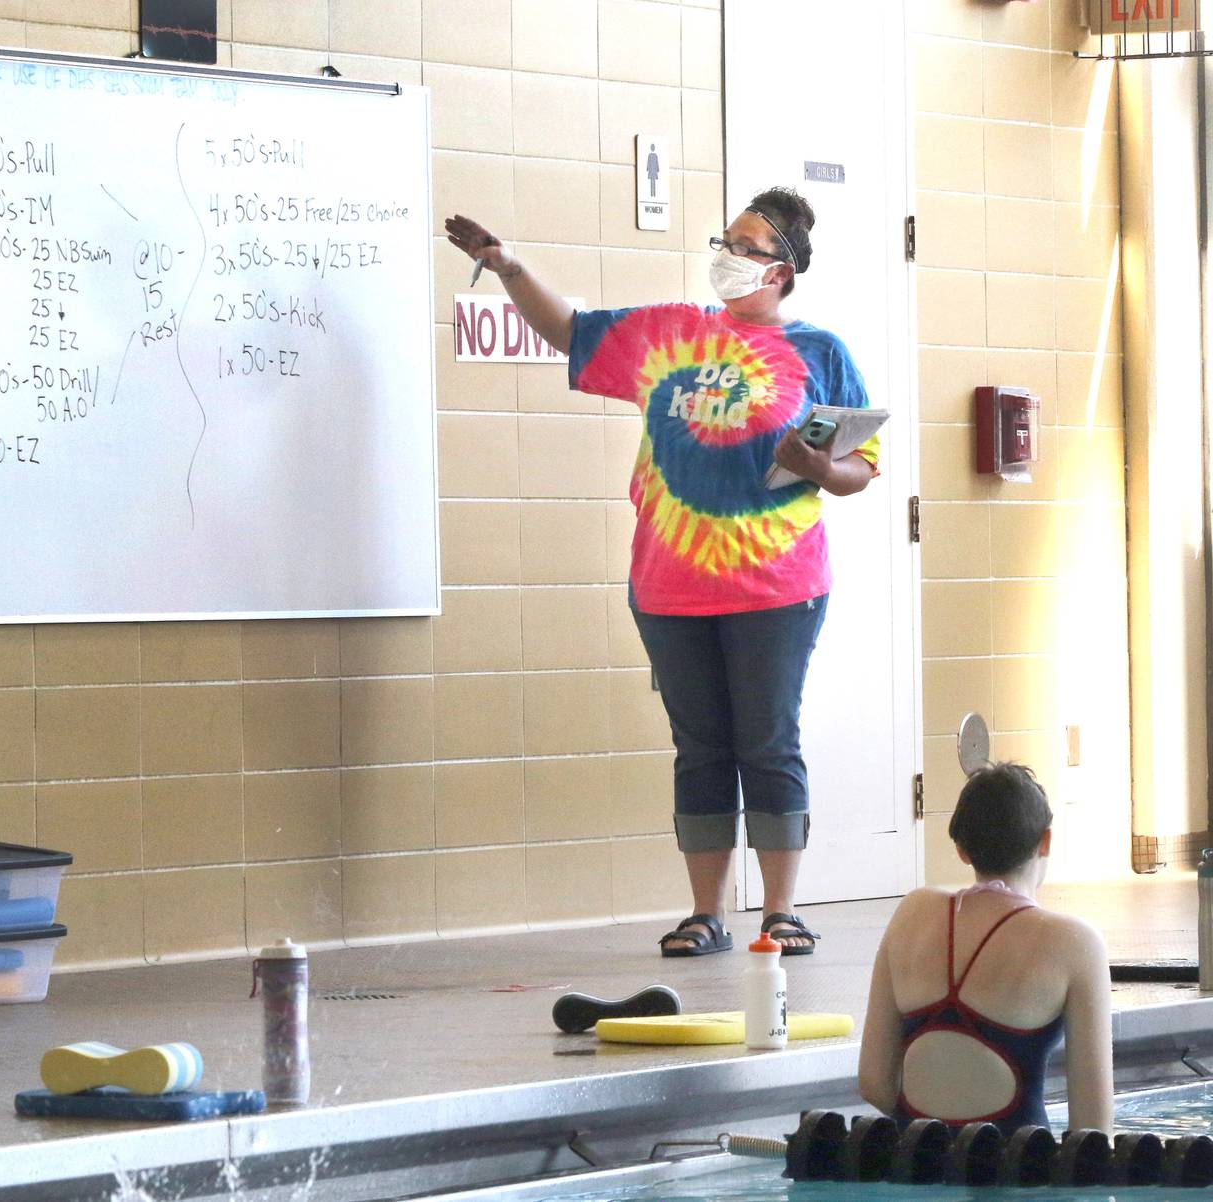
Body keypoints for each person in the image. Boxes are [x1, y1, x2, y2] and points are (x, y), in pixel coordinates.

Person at [445, 187, 877, 957]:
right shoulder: (669, 332)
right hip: (670, 583)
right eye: (726, 239)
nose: (725, 255)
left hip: (778, 587)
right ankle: (706, 913)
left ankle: (780, 910)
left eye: (744, 247)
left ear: (780, 271)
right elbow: (569, 332)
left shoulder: (822, 354)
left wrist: (818, 463)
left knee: (769, 741)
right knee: (701, 747)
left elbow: (859, 471)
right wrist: (506, 267)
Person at [858, 763, 1113, 1134]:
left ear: (961, 849)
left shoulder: (912, 913)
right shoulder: (1074, 944)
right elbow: (1093, 1129)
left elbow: (874, 1083)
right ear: (1046, 841)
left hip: (916, 1168)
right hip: (1018, 1174)